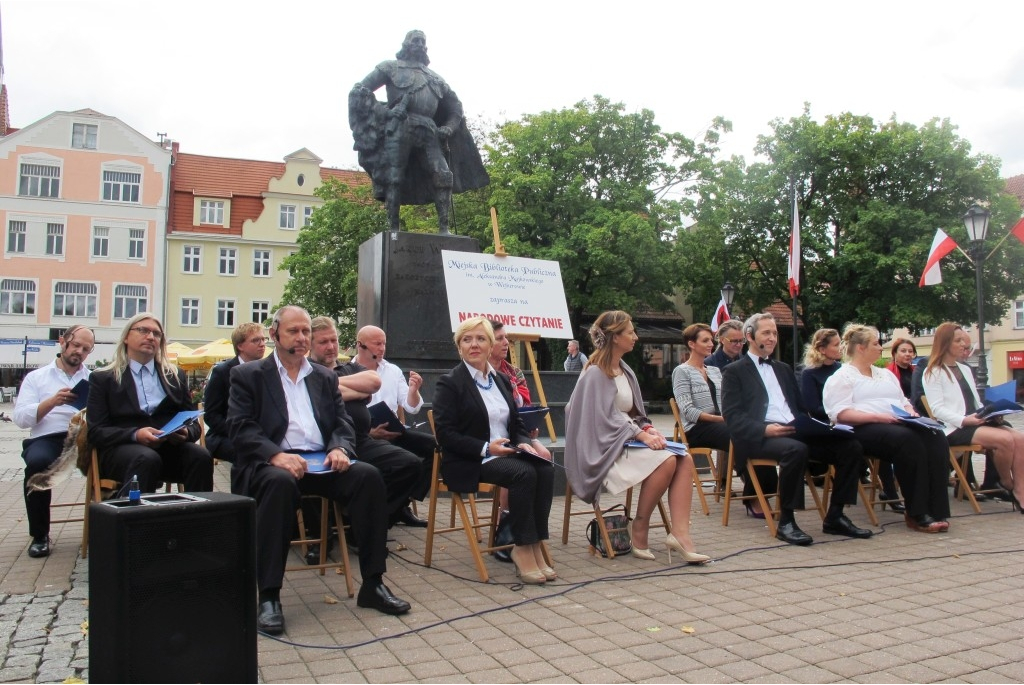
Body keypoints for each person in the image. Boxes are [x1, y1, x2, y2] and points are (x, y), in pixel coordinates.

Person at [227, 306, 410, 634]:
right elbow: (240, 428)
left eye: (305, 332)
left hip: (321, 460)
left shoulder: (324, 377)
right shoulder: (249, 375)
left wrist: (340, 446)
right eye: (293, 332)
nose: (301, 338)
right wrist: (274, 455)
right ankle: (268, 595)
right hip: (275, 464)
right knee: (278, 484)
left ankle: (373, 584)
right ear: (274, 335)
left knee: (368, 476)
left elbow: (342, 422)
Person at [565, 311, 710, 564]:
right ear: (614, 337)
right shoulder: (594, 373)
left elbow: (634, 413)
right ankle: (639, 528)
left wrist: (647, 428)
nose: (635, 337)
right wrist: (639, 434)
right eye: (630, 332)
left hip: (626, 440)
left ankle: (680, 535)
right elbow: (600, 419)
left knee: (683, 458)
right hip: (604, 449)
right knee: (667, 460)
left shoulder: (624, 369)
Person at [722, 313, 871, 545]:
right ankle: (787, 521)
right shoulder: (734, 371)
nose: (772, 338)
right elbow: (732, 417)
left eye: (774, 333)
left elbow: (801, 409)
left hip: (795, 429)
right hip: (763, 435)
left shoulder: (783, 369)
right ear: (749, 336)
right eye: (766, 333)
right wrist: (765, 430)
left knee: (850, 446)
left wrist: (818, 426)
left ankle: (836, 516)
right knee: (796, 450)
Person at [433, 316, 556, 583]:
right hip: (471, 459)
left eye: (480, 339)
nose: (474, 345)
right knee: (524, 473)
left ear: (490, 346)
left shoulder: (500, 379)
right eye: (467, 339)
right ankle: (522, 549)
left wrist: (525, 441)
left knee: (544, 468)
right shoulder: (450, 383)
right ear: (459, 347)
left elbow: (516, 423)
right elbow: (446, 435)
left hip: (507, 452)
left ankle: (535, 543)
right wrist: (488, 447)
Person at [348, 30, 489, 234]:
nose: (420, 45)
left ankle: (444, 230)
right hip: (399, 126)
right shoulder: (390, 67)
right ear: (406, 44)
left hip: (428, 129)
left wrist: (448, 128)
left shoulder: (435, 78)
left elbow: (455, 107)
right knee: (394, 177)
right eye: (416, 41)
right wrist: (385, 112)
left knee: (443, 175)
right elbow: (360, 90)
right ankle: (394, 229)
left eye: (423, 42)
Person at [823, 324, 952, 533]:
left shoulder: (886, 374)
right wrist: (878, 417)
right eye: (876, 343)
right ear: (861, 348)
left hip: (894, 422)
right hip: (861, 427)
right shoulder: (842, 376)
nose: (880, 348)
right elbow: (840, 414)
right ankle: (916, 512)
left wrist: (911, 412)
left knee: (935, 434)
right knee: (908, 440)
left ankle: (937, 509)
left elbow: (903, 400)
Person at [309, 317, 420, 526]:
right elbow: (310, 394)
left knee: (409, 464)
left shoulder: (349, 369)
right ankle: (339, 527)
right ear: (309, 344)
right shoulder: (306, 371)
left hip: (360, 440)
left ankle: (369, 519)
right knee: (366, 476)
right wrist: (354, 392)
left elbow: (373, 381)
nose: (331, 347)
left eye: (334, 340)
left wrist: (327, 387)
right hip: (325, 445)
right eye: (323, 342)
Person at [87, 313, 212, 494]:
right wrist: (136, 435)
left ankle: (198, 518)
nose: (151, 337)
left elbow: (193, 422)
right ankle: (134, 518)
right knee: (146, 458)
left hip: (167, 449)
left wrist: (185, 433)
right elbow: (96, 432)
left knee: (201, 456)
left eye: (157, 334)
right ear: (126, 338)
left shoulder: (175, 376)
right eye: (143, 330)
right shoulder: (104, 378)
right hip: (121, 450)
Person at [922, 321, 1024, 514]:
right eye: (958, 340)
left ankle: (1021, 490)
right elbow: (937, 409)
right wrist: (964, 420)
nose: (963, 345)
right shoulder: (933, 371)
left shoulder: (965, 369)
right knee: (1005, 440)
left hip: (976, 422)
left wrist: (991, 414)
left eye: (964, 341)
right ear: (945, 343)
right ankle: (1007, 482)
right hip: (955, 427)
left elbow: (975, 403)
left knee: (1020, 438)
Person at [13, 325, 95, 558]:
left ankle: (106, 527)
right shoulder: (36, 378)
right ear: (63, 341)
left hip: (84, 435)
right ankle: (40, 535)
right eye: (76, 345)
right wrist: (52, 402)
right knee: (37, 462)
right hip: (48, 436)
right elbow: (20, 418)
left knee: (117, 457)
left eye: (86, 349)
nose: (79, 352)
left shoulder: (93, 378)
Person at [802, 328, 905, 514]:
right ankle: (852, 501)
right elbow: (812, 407)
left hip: (855, 418)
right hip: (829, 422)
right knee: (855, 443)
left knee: (883, 437)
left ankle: (889, 492)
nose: (841, 347)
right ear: (822, 349)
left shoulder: (845, 369)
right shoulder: (811, 374)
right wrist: (840, 411)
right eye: (835, 345)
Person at [672, 323, 770, 514]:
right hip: (696, 428)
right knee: (738, 434)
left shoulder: (714, 371)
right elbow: (687, 410)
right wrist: (721, 420)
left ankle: (764, 488)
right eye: (705, 340)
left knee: (754, 430)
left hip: (721, 424)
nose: (711, 344)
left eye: (711, 340)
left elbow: (727, 402)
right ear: (691, 344)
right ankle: (754, 495)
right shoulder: (681, 371)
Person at [352, 324, 435, 526]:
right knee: (401, 462)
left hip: (394, 431)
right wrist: (371, 433)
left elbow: (411, 407)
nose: (382, 348)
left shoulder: (392, 370)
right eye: (377, 344)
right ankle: (389, 510)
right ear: (360, 345)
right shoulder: (346, 371)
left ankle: (400, 503)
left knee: (437, 447)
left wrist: (414, 390)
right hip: (365, 436)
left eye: (384, 344)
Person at [203, 322, 267, 463]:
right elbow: (211, 415)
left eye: (264, 339)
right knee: (251, 452)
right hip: (225, 436)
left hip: (260, 435)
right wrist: (242, 432)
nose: (262, 344)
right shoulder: (222, 372)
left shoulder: (268, 372)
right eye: (256, 340)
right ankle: (246, 485)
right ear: (240, 346)